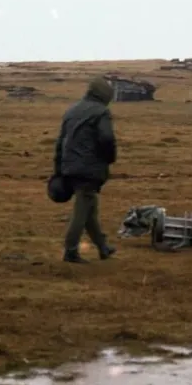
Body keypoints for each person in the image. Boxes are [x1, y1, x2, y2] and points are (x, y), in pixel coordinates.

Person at [54, 77, 119, 264]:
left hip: (69, 166)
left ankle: (103, 247)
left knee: (89, 209)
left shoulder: (72, 110)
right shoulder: (101, 112)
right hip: (89, 168)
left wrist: (58, 168)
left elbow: (60, 142)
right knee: (82, 211)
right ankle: (71, 250)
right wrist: (109, 158)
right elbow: (107, 139)